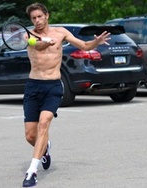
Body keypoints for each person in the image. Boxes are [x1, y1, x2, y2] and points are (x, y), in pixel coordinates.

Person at [22, 2, 110, 187]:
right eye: (33, 18)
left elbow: (85, 46)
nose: (37, 21)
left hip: (53, 86)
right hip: (33, 86)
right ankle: (44, 149)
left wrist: (96, 42)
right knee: (31, 136)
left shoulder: (61, 32)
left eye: (40, 16)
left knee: (44, 123)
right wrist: (45, 41)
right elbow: (35, 45)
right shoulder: (28, 35)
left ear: (47, 16)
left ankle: (32, 172)